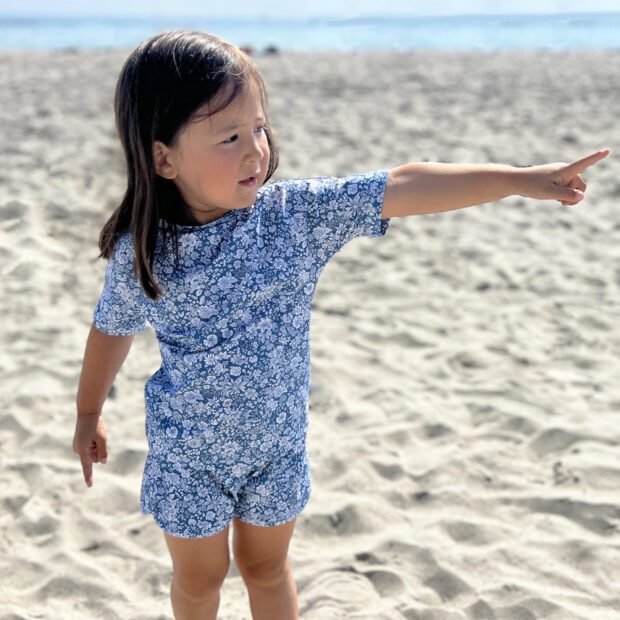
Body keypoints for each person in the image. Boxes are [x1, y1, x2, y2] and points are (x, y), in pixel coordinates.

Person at [72, 29, 610, 620]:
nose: (255, 151)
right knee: (201, 582)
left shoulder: (293, 218)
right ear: (163, 158)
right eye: (229, 137)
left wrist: (516, 179)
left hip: (277, 450)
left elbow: (402, 183)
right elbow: (112, 330)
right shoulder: (145, 252)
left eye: (259, 128)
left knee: (266, 569)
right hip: (188, 460)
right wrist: (88, 413)